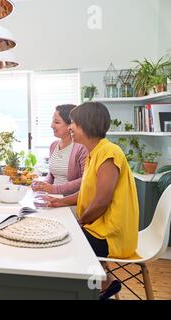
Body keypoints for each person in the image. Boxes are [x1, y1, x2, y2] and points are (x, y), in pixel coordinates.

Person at [46, 102, 139, 300]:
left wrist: (80, 222)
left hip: (111, 235)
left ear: (86, 125)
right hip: (100, 229)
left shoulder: (108, 152)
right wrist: (60, 202)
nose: (70, 127)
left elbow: (101, 202)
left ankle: (88, 289)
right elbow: (88, 194)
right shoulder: (94, 153)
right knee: (60, 235)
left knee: (61, 242)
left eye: (74, 123)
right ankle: (101, 284)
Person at [32, 104, 88, 195]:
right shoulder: (53, 145)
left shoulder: (82, 147)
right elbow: (52, 175)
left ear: (71, 124)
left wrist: (54, 189)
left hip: (71, 201)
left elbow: (85, 179)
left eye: (57, 122)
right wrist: (42, 184)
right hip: (54, 198)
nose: (51, 125)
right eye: (52, 122)